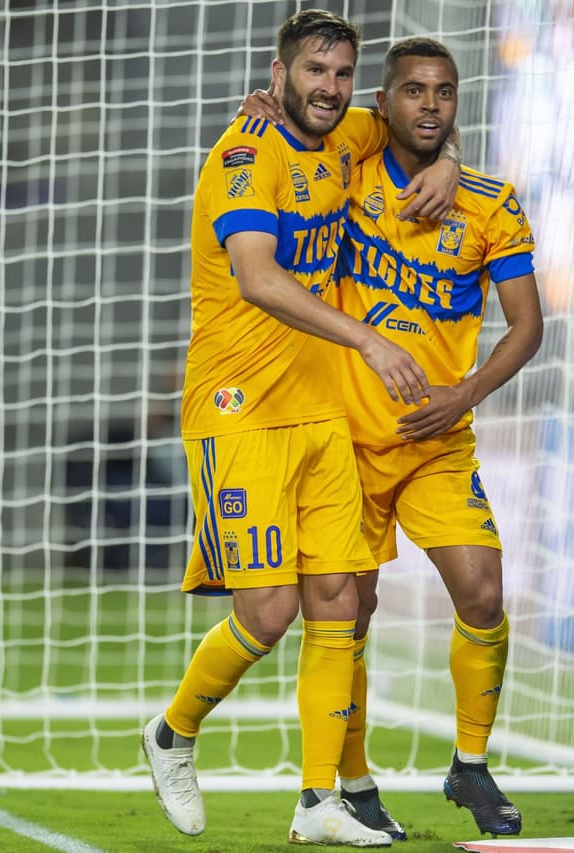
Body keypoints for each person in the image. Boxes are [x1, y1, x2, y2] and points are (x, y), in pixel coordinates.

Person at [141, 10, 460, 848]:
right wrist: (366, 336)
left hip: (321, 411)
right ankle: (173, 732)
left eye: (343, 73)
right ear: (278, 75)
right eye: (315, 71)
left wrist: (452, 163)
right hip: (238, 411)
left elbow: (421, 124)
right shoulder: (244, 158)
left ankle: (320, 797)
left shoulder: (347, 133)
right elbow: (256, 277)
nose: (331, 88)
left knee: (341, 600)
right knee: (269, 611)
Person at [241, 37, 544, 839]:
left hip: (437, 439)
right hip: (343, 436)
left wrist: (464, 395)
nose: (430, 105)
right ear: (386, 100)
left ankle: (470, 765)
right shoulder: (345, 167)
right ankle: (353, 780)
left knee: (481, 590)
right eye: (413, 91)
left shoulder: (492, 201)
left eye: (444, 92)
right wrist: (261, 114)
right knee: (351, 616)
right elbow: (300, 130)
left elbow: (527, 326)